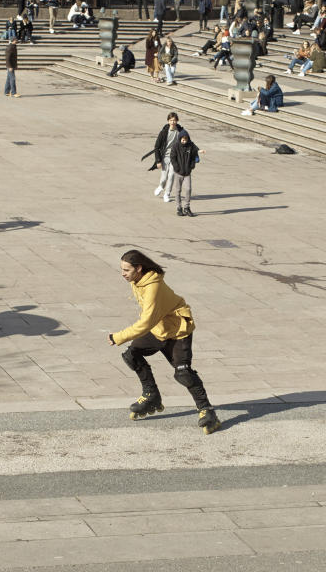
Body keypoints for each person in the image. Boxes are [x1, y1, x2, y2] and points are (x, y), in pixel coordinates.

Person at [110, 249, 220, 434]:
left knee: (183, 373)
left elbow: (145, 322)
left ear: (139, 268)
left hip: (177, 331)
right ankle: (151, 395)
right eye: (122, 269)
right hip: (158, 328)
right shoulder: (137, 280)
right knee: (132, 355)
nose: (123, 274)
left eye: (126, 270)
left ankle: (207, 411)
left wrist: (119, 336)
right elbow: (150, 319)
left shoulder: (153, 286)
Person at [170, 130, 206, 217]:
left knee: (188, 189)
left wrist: (192, 165)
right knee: (178, 190)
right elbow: (172, 158)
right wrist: (176, 167)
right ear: (179, 139)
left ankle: (187, 207)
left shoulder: (191, 146)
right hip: (178, 172)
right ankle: (179, 207)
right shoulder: (175, 146)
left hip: (187, 173)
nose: (184, 141)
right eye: (182, 139)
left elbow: (195, 151)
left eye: (185, 139)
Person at [151, 112, 183, 201]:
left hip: (175, 157)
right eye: (171, 120)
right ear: (168, 121)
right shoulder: (164, 132)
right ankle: (161, 186)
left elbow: (187, 143)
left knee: (172, 175)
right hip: (165, 157)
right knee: (164, 176)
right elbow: (157, 147)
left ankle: (167, 194)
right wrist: (158, 161)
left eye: (174, 120)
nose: (173, 122)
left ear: (177, 121)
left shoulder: (180, 132)